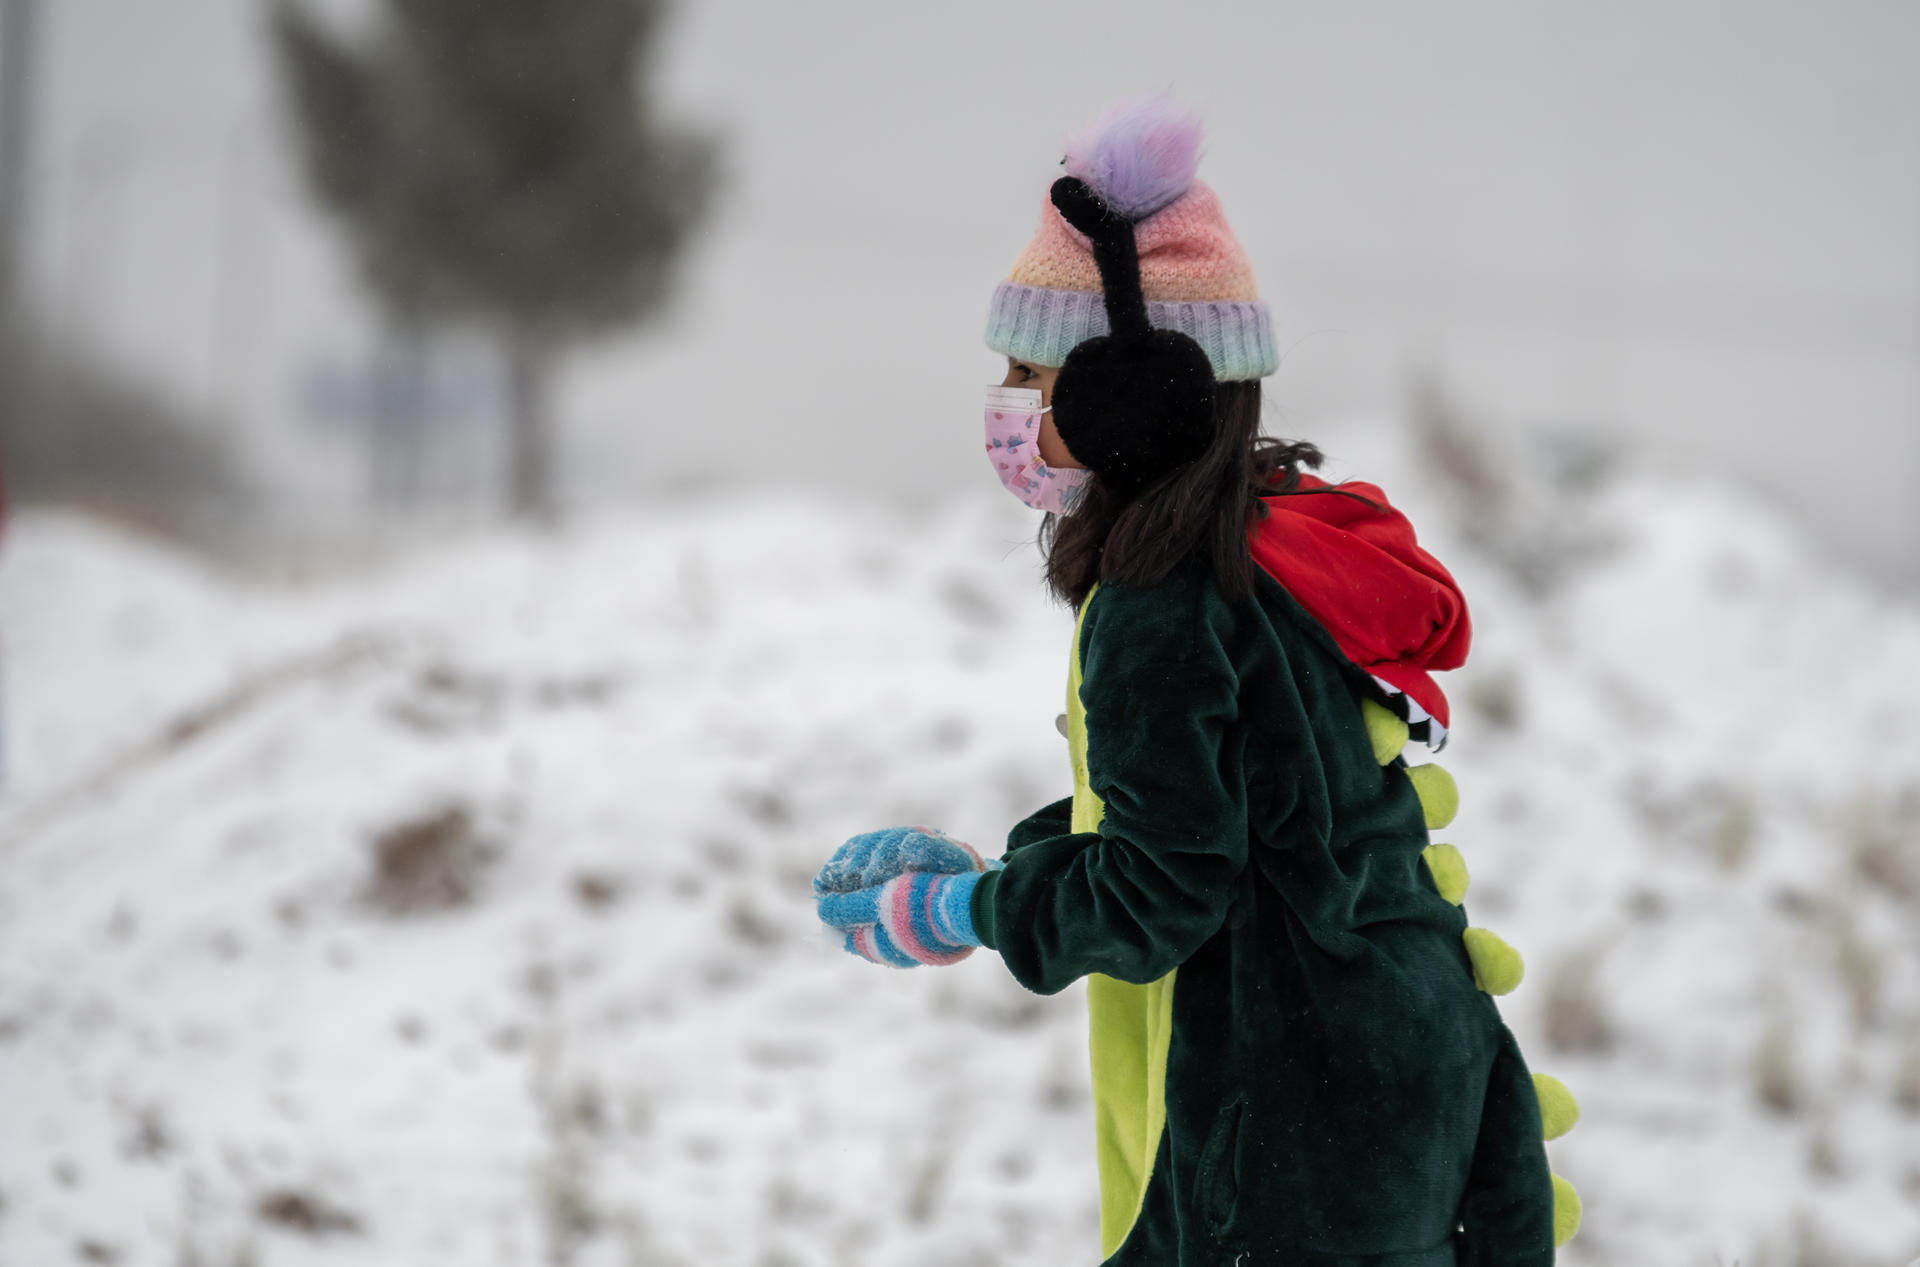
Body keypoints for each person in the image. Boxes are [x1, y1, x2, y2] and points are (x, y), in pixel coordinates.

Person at [813, 96, 1581, 1266]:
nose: (1006, 406)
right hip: (1418, 1066)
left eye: (1029, 368)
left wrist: (967, 910)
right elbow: (1231, 814)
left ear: (1131, 391)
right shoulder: (1282, 548)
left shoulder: (1159, 600)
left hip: (1286, 1131)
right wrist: (1009, 862)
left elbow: (1163, 883)